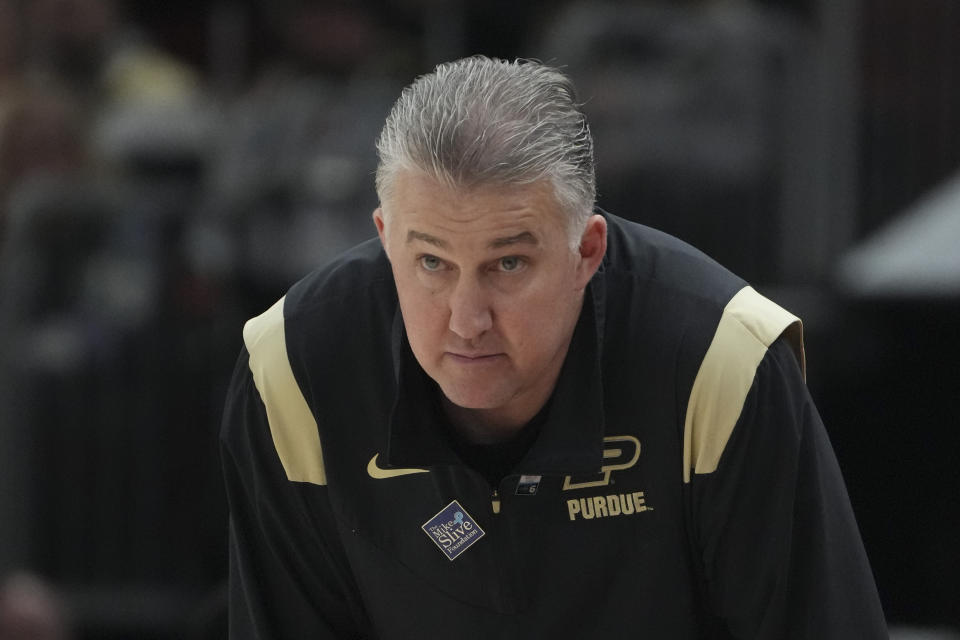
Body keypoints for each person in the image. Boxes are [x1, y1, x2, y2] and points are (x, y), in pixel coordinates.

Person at [220, 56, 887, 638]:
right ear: (385, 235)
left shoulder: (722, 363)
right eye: (430, 263)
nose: (466, 319)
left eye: (507, 264)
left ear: (585, 251)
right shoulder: (294, 372)